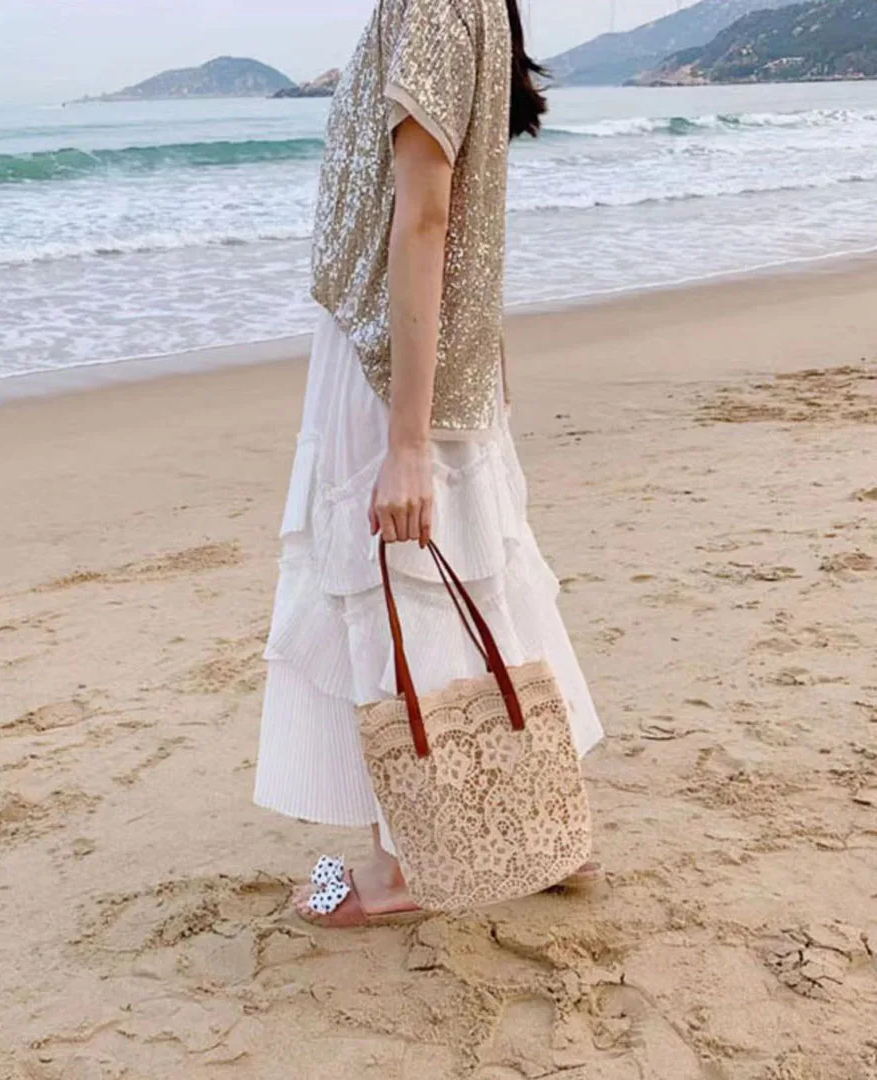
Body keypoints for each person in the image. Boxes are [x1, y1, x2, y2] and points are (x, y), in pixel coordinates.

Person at [254, 0, 605, 927]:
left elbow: (426, 216)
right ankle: (547, 825)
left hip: (396, 367)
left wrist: (405, 443)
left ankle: (396, 869)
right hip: (445, 356)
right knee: (480, 579)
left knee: (398, 587)